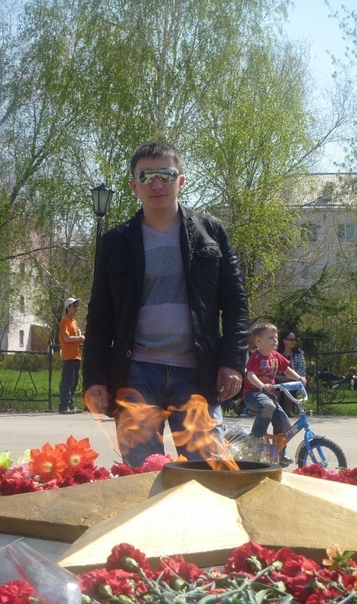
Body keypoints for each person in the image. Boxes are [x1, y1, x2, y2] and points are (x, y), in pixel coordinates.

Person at [83, 140, 249, 467]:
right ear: (133, 185)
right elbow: (100, 314)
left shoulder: (210, 232)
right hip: (136, 375)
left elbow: (235, 303)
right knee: (141, 475)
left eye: (166, 175)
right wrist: (94, 376)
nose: (156, 184)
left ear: (181, 181)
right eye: (145, 177)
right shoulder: (116, 242)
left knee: (210, 473)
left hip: (197, 374)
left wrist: (232, 361)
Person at [243, 322, 306, 466]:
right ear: (258, 341)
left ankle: (279, 455)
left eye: (276, 337)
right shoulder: (256, 357)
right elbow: (250, 375)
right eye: (270, 338)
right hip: (253, 394)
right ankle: (256, 439)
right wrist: (261, 385)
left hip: (269, 396)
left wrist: (298, 378)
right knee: (267, 405)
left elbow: (287, 369)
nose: (275, 340)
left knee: (284, 424)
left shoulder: (276, 356)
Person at [59, 297, 85, 415]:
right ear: (68, 307)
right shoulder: (65, 321)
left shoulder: (75, 322)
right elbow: (66, 338)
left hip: (76, 356)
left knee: (74, 382)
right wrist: (79, 337)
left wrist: (80, 338)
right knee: (67, 382)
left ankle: (70, 405)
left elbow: (76, 340)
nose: (76, 308)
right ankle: (63, 406)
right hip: (69, 357)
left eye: (77, 306)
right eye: (74, 306)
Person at [276, 330, 306, 417]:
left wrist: (289, 377)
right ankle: (277, 413)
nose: (293, 342)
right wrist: (278, 377)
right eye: (291, 339)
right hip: (278, 378)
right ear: (284, 340)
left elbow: (302, 369)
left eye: (294, 340)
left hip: (293, 378)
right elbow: (271, 368)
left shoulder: (298, 353)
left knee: (287, 388)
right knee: (276, 391)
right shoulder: (277, 353)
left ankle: (289, 412)